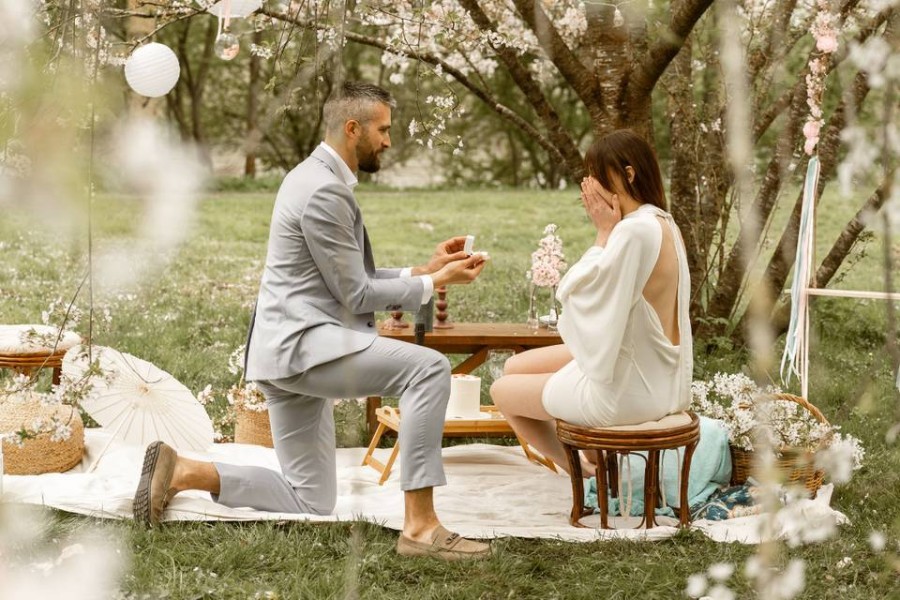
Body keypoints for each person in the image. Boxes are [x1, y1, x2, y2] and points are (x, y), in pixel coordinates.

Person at [133, 82, 491, 561]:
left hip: (285, 353)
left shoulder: (311, 176)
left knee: (312, 499)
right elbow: (357, 292)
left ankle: (185, 473)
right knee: (426, 369)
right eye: (382, 130)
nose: (387, 140)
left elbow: (346, 276)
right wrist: (435, 285)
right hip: (305, 348)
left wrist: (425, 271)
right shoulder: (324, 189)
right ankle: (422, 528)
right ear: (352, 128)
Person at [491, 129, 692, 473]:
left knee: (501, 389)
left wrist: (602, 233)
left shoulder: (631, 231)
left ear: (627, 174)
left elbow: (580, 293)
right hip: (661, 378)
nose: (590, 188)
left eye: (597, 176)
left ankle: (581, 471)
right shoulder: (663, 222)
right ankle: (597, 461)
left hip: (629, 393)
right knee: (515, 366)